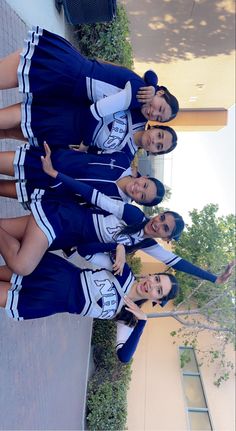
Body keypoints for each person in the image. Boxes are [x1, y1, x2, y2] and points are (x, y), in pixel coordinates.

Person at [0, 26, 179, 149]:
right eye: (160, 108)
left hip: (67, 89)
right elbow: (96, 112)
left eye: (159, 118)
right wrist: (86, 143)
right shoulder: (140, 93)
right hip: (66, 71)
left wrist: (153, 84)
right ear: (161, 93)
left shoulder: (139, 105)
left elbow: (149, 74)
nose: (154, 114)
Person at [0, 250, 178, 363]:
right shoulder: (123, 271)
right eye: (156, 279)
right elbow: (87, 249)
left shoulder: (129, 316)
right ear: (152, 275)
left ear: (157, 300)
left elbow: (123, 356)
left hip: (47, 301)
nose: (152, 286)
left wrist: (142, 322)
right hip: (53, 272)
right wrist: (119, 248)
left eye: (159, 290)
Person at [0, 145, 165, 206]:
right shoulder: (123, 158)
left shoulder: (115, 205)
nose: (138, 189)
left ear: (138, 201)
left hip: (47, 190)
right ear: (144, 178)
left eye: (142, 196)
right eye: (144, 185)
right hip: (49, 160)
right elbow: (93, 146)